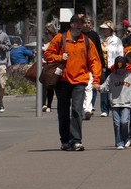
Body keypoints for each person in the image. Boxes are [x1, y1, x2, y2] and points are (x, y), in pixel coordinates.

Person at [43, 15, 103, 151]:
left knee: (76, 110)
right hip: (62, 81)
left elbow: (94, 61)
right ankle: (65, 140)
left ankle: (76, 140)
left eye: (81, 23)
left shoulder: (87, 41)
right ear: (71, 24)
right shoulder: (60, 38)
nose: (79, 25)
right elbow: (47, 55)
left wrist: (96, 80)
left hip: (80, 81)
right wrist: (59, 57)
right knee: (63, 112)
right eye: (77, 22)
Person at [104, 52, 131, 149]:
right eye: (118, 69)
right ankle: (119, 142)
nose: (120, 71)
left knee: (124, 122)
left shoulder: (130, 76)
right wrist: (97, 87)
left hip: (126, 103)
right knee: (117, 123)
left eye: (122, 68)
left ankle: (126, 138)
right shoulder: (111, 76)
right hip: (115, 103)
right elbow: (105, 87)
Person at [97, 22, 122, 117]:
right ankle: (104, 109)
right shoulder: (100, 40)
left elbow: (120, 53)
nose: (104, 30)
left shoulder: (117, 40)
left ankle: (115, 106)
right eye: (103, 29)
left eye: (106, 29)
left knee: (114, 87)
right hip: (103, 67)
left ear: (110, 30)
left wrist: (119, 66)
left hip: (113, 67)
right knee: (103, 87)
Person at [39, 21, 58, 112]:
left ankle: (49, 104)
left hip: (54, 65)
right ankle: (44, 104)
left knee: (52, 85)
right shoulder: (43, 41)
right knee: (44, 85)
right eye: (46, 32)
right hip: (45, 65)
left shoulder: (56, 41)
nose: (47, 35)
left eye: (48, 33)